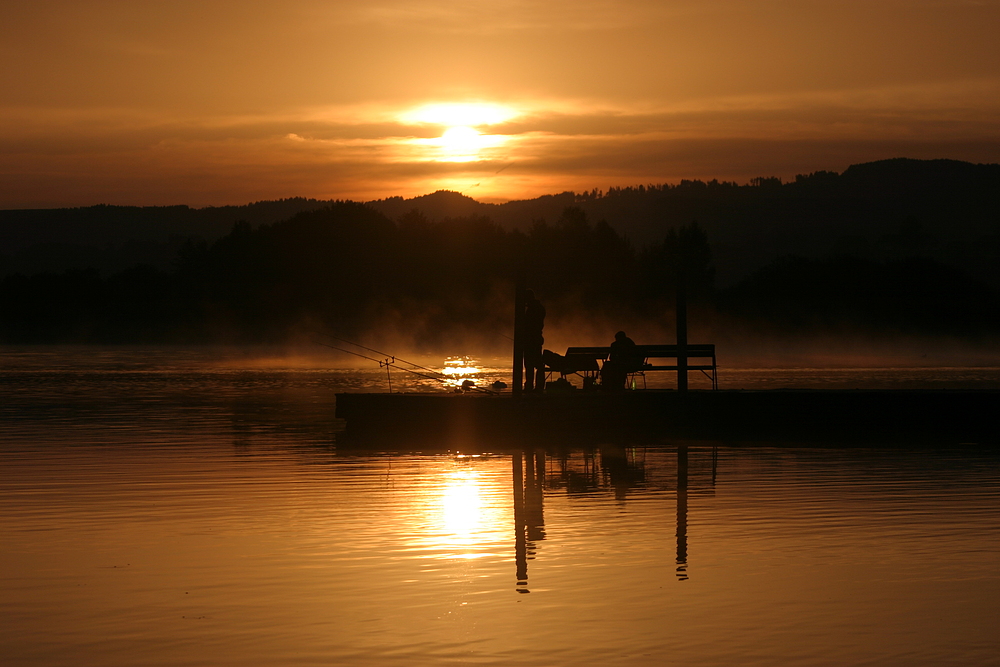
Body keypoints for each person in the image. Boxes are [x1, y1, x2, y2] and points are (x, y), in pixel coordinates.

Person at [520, 289, 546, 392]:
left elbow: (528, 325)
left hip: (531, 340)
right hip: (537, 339)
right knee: (537, 364)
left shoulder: (532, 310)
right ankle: (538, 386)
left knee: (530, 364)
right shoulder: (540, 308)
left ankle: (530, 386)